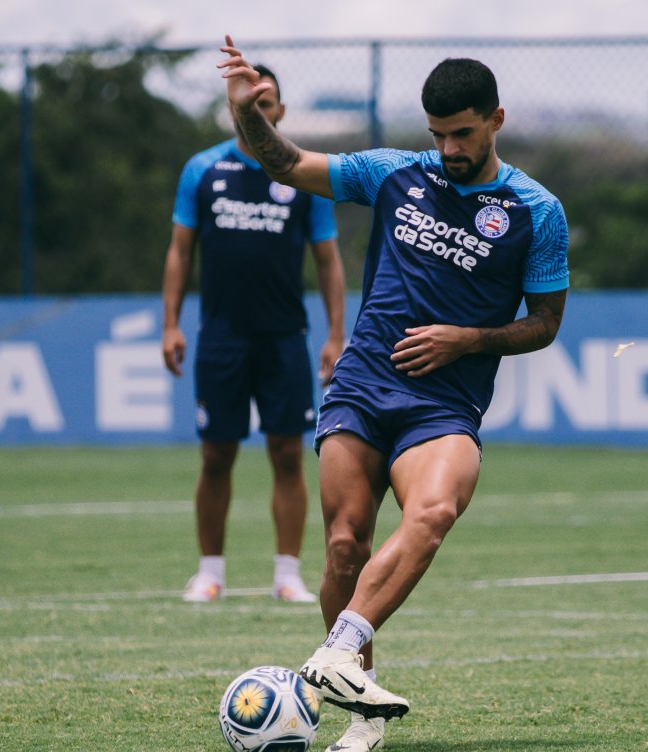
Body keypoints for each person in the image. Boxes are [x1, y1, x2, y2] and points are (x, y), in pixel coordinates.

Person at [219, 37, 570, 751]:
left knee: (435, 509)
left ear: (495, 119)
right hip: (362, 385)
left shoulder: (536, 210)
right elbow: (282, 161)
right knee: (345, 546)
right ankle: (362, 714)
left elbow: (544, 323)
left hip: (444, 406)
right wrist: (247, 115)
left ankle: (337, 650)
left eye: (463, 134)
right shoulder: (393, 173)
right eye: (438, 134)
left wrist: (465, 339)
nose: (448, 149)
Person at [163, 64, 347, 605]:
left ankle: (287, 573)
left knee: (288, 453)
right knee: (216, 455)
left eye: (268, 104)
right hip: (221, 336)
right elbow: (179, 251)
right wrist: (170, 323)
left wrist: (336, 334)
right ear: (235, 109)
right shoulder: (203, 170)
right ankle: (210, 572)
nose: (259, 113)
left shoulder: (303, 176)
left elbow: (329, 263)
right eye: (251, 103)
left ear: (281, 113)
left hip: (284, 337)